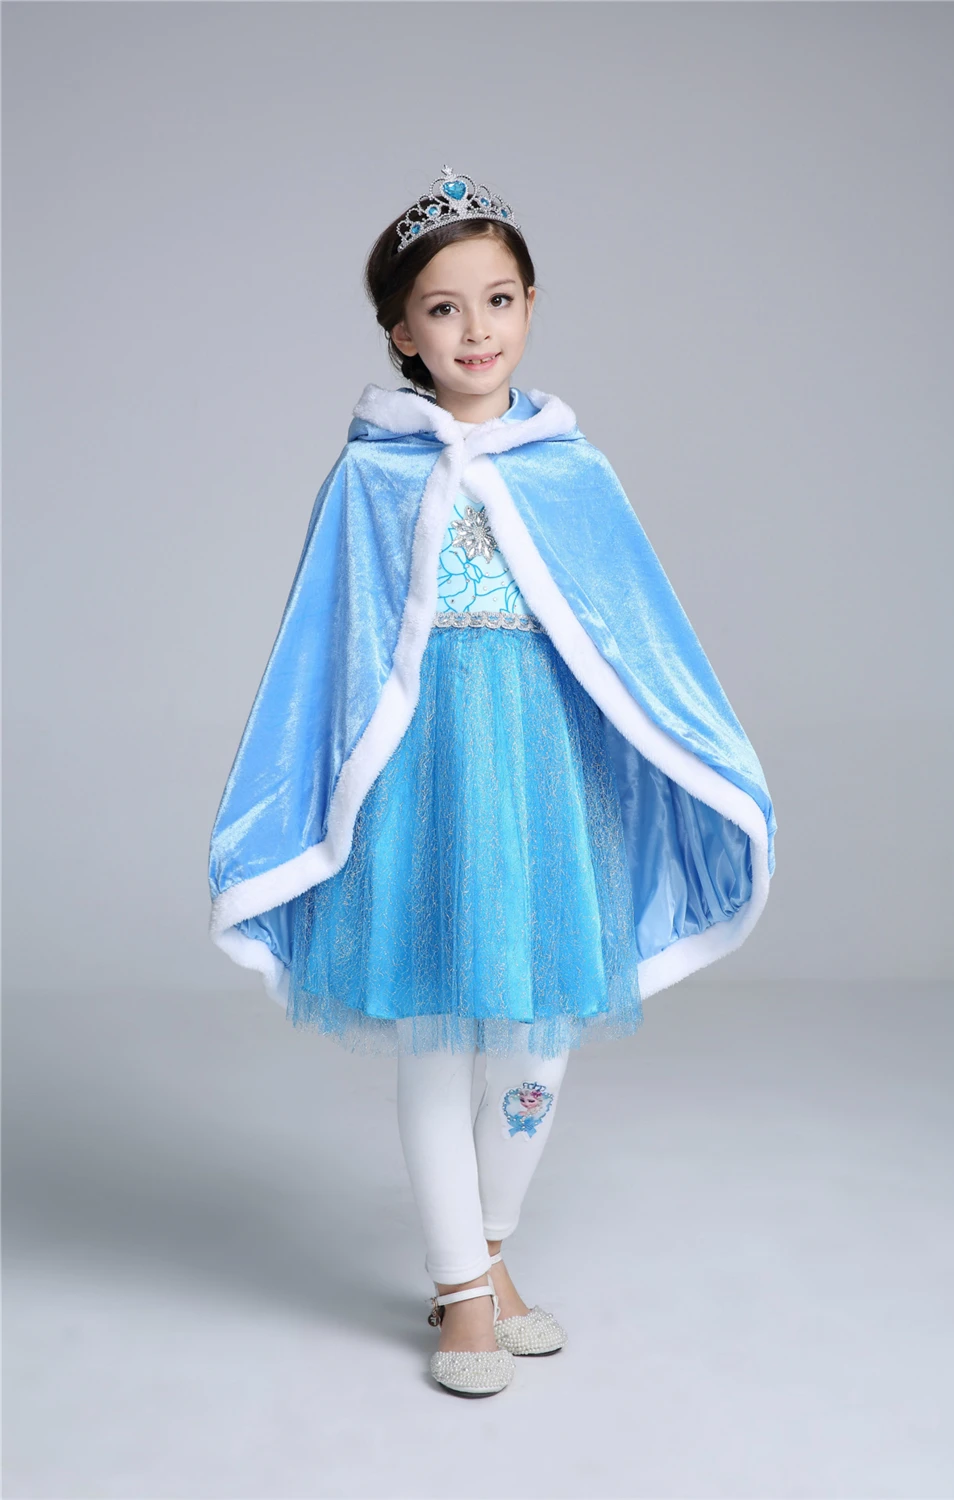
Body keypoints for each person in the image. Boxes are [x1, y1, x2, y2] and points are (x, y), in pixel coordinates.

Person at [208, 166, 777, 1398]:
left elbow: (632, 638)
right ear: (401, 332)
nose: (476, 330)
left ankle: (491, 1252)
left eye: (499, 300)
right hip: (423, 783)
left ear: (531, 305)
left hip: (541, 781)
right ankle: (461, 1290)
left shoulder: (572, 472)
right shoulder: (370, 477)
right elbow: (323, 652)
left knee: (536, 1040)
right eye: (443, 308)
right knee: (437, 1029)